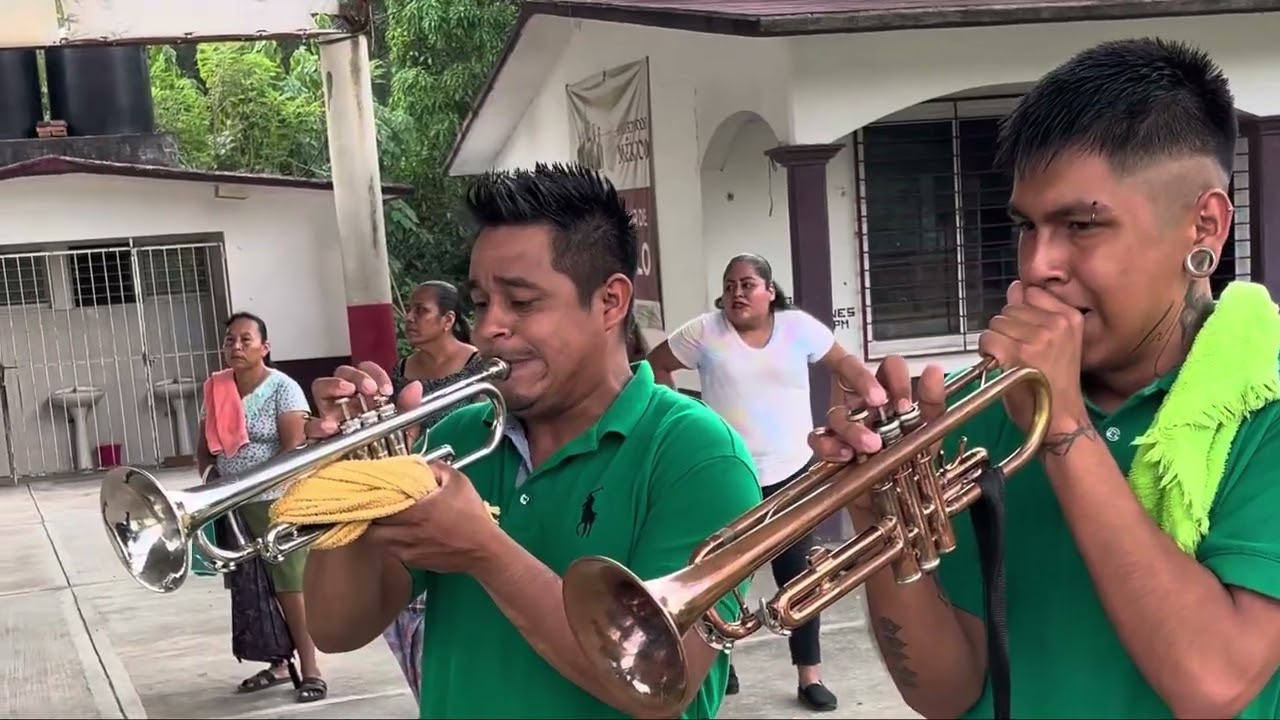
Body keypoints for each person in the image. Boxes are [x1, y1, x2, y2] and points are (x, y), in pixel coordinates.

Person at [809, 37, 1280, 718]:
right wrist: (881, 510)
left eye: (1082, 225)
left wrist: (1063, 427)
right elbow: (944, 692)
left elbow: (1215, 681)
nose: (1036, 265)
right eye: (1027, 226)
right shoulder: (986, 405)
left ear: (1203, 226)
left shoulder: (1264, 403)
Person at [299, 163, 764, 718]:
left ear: (611, 302)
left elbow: (663, 688)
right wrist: (349, 477)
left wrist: (485, 551)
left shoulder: (700, 455)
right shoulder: (460, 435)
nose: (488, 328)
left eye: (521, 303)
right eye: (480, 303)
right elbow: (337, 628)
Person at [648, 252, 865, 712]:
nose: (737, 293)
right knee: (722, 581)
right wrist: (689, 418)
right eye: (729, 286)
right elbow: (655, 366)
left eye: (747, 284)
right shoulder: (705, 332)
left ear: (769, 290)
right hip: (729, 477)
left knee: (800, 578)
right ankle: (722, 663)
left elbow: (845, 365)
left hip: (793, 475)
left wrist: (842, 412)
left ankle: (810, 676)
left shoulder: (798, 328)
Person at [195, 312, 327, 703]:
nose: (235, 346)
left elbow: (292, 450)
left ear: (264, 347)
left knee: (289, 585)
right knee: (254, 586)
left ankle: (312, 669)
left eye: (245, 340)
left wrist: (252, 483)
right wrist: (212, 486)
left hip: (276, 500)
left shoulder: (283, 388)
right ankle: (280, 662)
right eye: (230, 340)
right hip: (232, 502)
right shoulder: (217, 389)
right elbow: (204, 450)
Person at [383, 279, 487, 699]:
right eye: (408, 309)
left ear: (448, 320)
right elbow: (399, 435)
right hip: (415, 497)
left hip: (470, 495)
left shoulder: (479, 365)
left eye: (420, 311)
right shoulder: (402, 370)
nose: (408, 318)